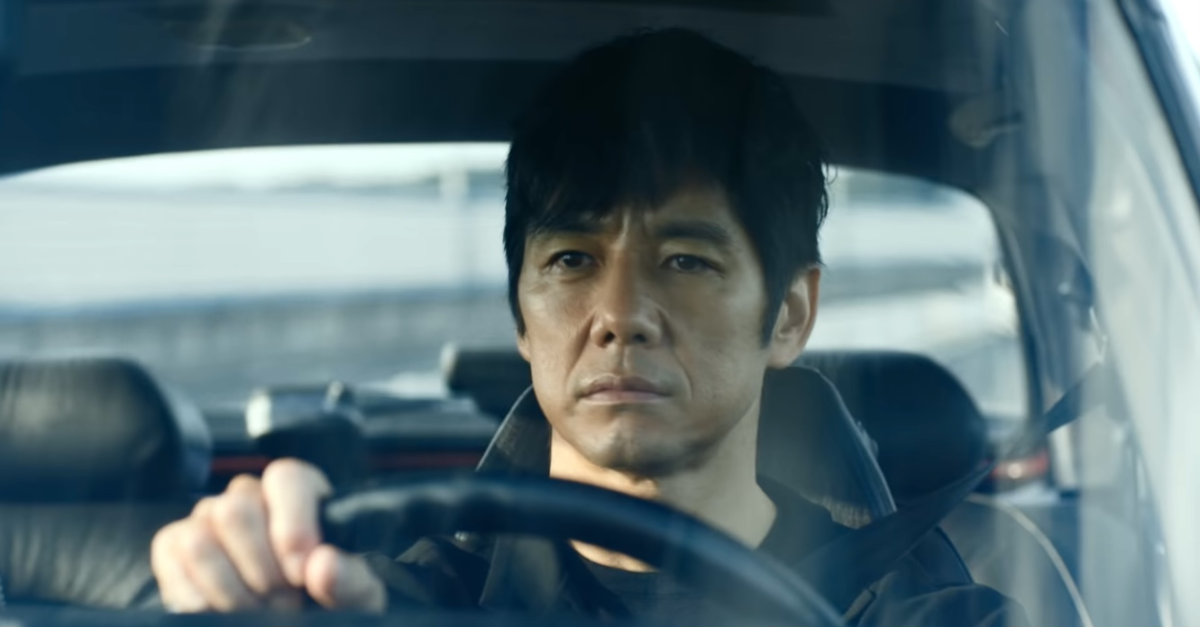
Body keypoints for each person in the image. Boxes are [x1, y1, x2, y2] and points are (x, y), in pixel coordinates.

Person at [151, 29, 1028, 626]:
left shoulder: (923, 612)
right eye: (572, 259)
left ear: (790, 314)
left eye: (686, 260)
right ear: (521, 316)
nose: (620, 315)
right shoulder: (400, 603)